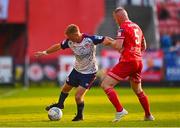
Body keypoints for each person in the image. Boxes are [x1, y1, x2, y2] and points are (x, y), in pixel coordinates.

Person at [35, 24, 114, 121]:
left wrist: (114, 43)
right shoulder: (70, 41)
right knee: (65, 89)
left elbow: (105, 39)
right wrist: (45, 52)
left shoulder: (89, 39)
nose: (69, 39)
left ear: (76, 34)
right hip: (77, 70)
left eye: (70, 37)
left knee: (78, 96)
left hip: (89, 73)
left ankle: (80, 116)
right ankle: (60, 104)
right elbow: (58, 46)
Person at [100, 7, 155, 122]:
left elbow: (119, 46)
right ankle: (148, 115)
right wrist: (132, 50)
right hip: (138, 61)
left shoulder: (122, 27)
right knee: (138, 90)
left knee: (106, 85)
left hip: (128, 61)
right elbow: (143, 45)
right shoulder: (137, 27)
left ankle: (120, 110)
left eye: (115, 19)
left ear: (120, 17)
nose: (116, 21)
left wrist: (110, 42)